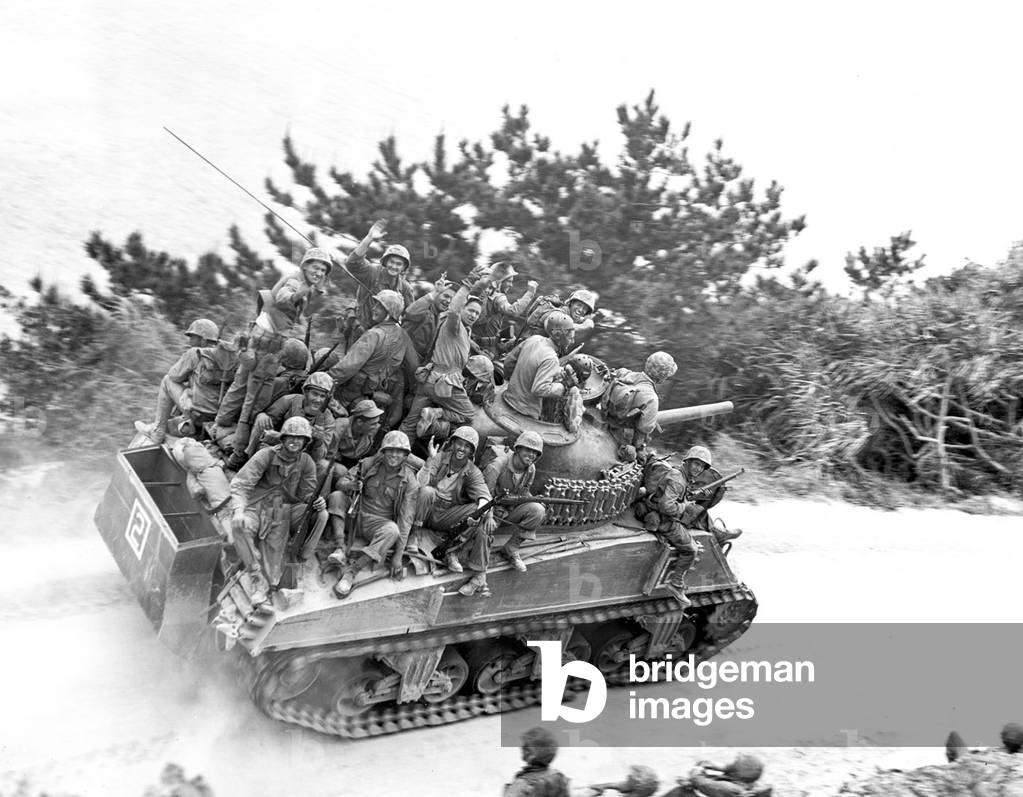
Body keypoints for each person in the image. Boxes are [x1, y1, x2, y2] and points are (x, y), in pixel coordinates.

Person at [229, 416, 328, 597]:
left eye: (300, 438)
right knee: (240, 527)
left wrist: (317, 500)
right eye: (291, 436)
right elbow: (240, 485)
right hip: (256, 507)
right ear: (283, 438)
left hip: (284, 510)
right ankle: (256, 575)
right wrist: (238, 510)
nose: (294, 441)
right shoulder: (265, 455)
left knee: (322, 514)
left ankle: (301, 557)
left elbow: (307, 493)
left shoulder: (306, 461)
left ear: (305, 442)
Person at [328, 430, 420, 598]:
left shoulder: (410, 481)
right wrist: (351, 486)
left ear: (406, 455)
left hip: (378, 525)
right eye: (390, 450)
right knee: (336, 497)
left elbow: (406, 519)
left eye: (399, 451)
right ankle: (339, 548)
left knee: (392, 530)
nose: (394, 455)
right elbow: (341, 483)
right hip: (356, 515)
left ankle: (351, 572)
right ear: (383, 451)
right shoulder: (368, 464)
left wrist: (398, 556)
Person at [412, 426, 494, 597]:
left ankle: (452, 550)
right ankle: (414, 534)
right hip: (425, 509)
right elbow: (420, 483)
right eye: (459, 444)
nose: (461, 449)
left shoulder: (472, 471)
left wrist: (479, 513)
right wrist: (429, 460)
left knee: (478, 509)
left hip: (445, 515)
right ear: (453, 443)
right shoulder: (440, 458)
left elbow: (484, 495)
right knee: (427, 491)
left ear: (472, 451)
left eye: (467, 446)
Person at [402, 276, 485, 441]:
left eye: (477, 313)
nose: (473, 315)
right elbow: (453, 311)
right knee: (469, 415)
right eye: (470, 310)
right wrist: (467, 285)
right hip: (445, 383)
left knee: (410, 423)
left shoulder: (463, 330)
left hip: (429, 381)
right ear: (462, 308)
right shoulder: (454, 324)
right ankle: (436, 414)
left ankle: (398, 446)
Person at [134, 319, 237, 444]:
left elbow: (174, 376)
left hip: (198, 413)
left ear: (203, 340)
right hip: (219, 416)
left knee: (167, 381)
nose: (190, 341)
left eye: (193, 337)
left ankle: (158, 431)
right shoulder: (231, 359)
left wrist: (187, 386)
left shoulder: (195, 353)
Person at [329, 289, 418, 411]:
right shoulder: (403, 335)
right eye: (375, 304)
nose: (374, 308)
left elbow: (348, 366)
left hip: (354, 393)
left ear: (389, 312)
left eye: (380, 306)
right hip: (381, 393)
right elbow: (413, 366)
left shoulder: (373, 335)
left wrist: (326, 379)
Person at [632, 453, 700, 609]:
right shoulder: (678, 480)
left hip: (651, 508)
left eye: (701, 466)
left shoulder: (677, 472)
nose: (698, 468)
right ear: (688, 461)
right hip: (664, 519)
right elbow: (667, 507)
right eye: (696, 464)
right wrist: (684, 506)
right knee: (691, 549)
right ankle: (676, 584)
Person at [483, 431, 547, 573]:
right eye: (528, 449)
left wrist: (534, 499)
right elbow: (484, 496)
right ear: (517, 448)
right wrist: (489, 516)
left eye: (535, 452)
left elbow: (523, 492)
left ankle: (511, 547)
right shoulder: (497, 466)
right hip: (490, 510)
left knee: (538, 510)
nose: (531, 455)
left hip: (509, 510)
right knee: (481, 535)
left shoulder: (530, 469)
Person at [243, 371, 335, 467]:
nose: (318, 400)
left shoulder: (328, 419)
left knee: (323, 465)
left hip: (302, 455)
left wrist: (319, 441)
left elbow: (319, 457)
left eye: (323, 396)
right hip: (279, 445)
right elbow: (269, 421)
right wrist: (262, 415)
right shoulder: (289, 401)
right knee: (261, 420)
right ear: (306, 392)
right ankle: (248, 462)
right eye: (315, 394)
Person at [343, 219, 415, 336]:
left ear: (403, 268)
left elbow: (410, 315)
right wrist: (369, 238)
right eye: (392, 262)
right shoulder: (373, 272)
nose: (394, 266)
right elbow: (352, 263)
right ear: (385, 262)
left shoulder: (405, 288)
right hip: (359, 329)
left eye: (399, 264)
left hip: (383, 335)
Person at [603, 351, 677, 461]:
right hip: (617, 438)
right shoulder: (651, 398)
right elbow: (643, 431)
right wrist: (639, 451)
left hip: (601, 419)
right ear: (663, 376)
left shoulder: (623, 373)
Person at [503, 312, 576, 420]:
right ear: (559, 336)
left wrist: (560, 371)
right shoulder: (551, 358)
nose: (572, 341)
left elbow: (509, 362)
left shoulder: (534, 339)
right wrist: (565, 385)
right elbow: (539, 389)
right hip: (526, 411)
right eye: (570, 338)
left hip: (509, 397)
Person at [474, 261, 538, 356]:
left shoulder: (484, 295)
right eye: (509, 281)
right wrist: (530, 293)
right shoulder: (498, 297)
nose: (511, 285)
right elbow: (513, 311)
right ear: (500, 281)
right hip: (486, 349)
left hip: (479, 343)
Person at [503, 726, 569, 797]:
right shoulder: (558, 777)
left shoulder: (521, 785)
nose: (521, 748)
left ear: (533, 754)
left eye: (526, 747)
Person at [401, 276, 456, 360]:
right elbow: (410, 312)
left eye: (452, 299)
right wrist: (436, 291)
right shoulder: (424, 310)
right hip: (402, 358)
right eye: (446, 296)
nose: (448, 301)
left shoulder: (439, 317)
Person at [667, 754, 769, 797]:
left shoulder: (729, 788)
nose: (731, 763)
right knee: (689, 785)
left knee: (682, 791)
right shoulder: (749, 784)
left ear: (735, 773)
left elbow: (699, 781)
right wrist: (723, 768)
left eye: (734, 763)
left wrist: (698, 769)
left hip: (709, 786)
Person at [589, 765, 660, 796]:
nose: (628, 776)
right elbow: (618, 785)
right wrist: (603, 786)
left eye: (631, 777)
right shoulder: (629, 785)